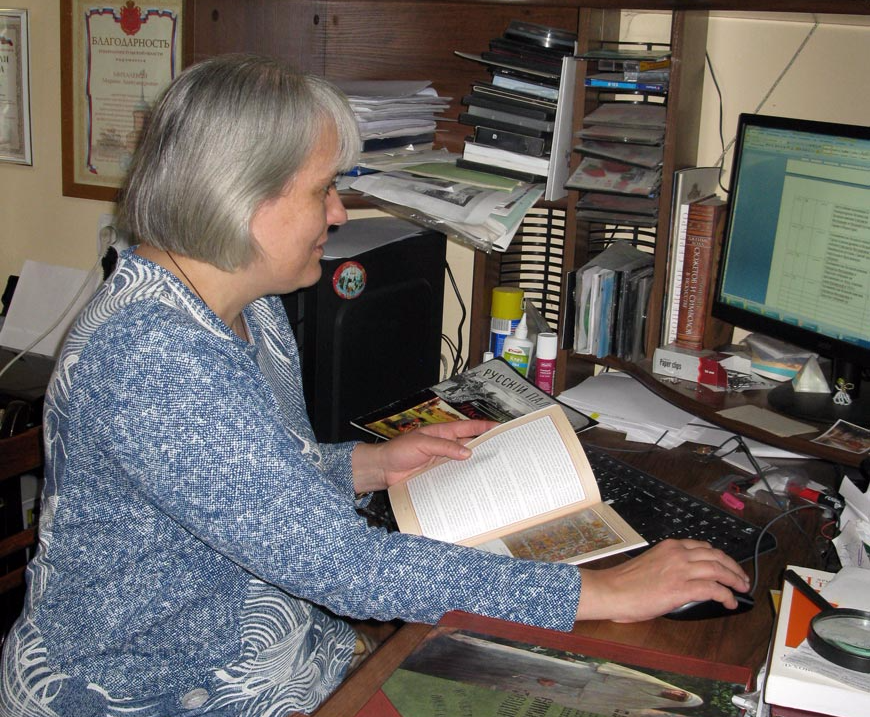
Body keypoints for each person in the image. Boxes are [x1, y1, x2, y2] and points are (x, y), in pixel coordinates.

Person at [0, 54, 750, 717]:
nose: (337, 212)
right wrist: (605, 593)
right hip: (158, 691)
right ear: (243, 199)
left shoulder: (245, 303)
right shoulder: (154, 360)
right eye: (323, 189)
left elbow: (252, 485)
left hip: (279, 651)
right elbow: (345, 567)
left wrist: (368, 464)